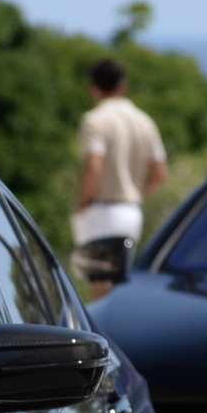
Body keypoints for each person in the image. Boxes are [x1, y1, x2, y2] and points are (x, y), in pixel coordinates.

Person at [71, 56, 168, 292]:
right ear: (122, 86)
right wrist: (136, 193)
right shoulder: (144, 121)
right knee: (118, 284)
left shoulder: (95, 120)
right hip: (131, 212)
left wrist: (83, 203)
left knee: (100, 285)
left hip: (101, 211)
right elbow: (160, 173)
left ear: (93, 87)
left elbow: (94, 165)